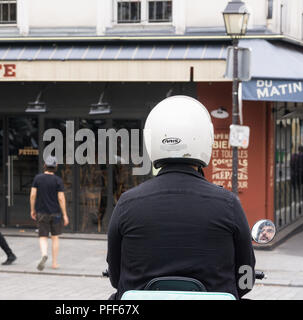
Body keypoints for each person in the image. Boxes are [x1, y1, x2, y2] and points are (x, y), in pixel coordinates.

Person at [106, 95, 256, 300]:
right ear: (205, 139)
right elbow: (245, 280)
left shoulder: (127, 203)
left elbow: (115, 277)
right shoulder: (228, 204)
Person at [30, 156, 69, 271]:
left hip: (41, 212)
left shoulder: (38, 178)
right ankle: (55, 263)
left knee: (43, 236)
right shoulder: (58, 180)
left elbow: (32, 195)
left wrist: (33, 210)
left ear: (44, 166)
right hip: (55, 213)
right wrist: (65, 214)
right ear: (56, 167)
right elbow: (61, 198)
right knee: (55, 237)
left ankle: (44, 254)